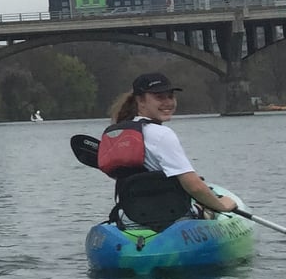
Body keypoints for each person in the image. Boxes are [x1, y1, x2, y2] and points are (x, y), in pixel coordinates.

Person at [95, 72, 240, 231]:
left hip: (131, 218)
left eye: (170, 96)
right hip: (172, 218)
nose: (168, 102)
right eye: (159, 97)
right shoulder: (162, 134)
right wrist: (221, 206)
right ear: (140, 100)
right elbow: (194, 186)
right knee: (207, 206)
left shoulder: (122, 132)